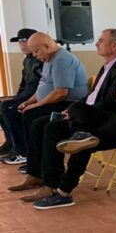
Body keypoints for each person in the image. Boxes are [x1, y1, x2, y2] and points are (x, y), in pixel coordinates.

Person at [9, 28, 116, 204]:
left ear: (114, 45)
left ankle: (51, 184)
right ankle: (36, 174)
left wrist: (78, 111)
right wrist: (76, 109)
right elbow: (92, 96)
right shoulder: (108, 65)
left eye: (100, 40)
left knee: (51, 127)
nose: (96, 43)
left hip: (101, 117)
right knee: (40, 123)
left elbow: (110, 103)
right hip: (86, 112)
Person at [1, 32, 89, 165]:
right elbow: (43, 87)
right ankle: (24, 152)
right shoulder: (48, 58)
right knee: (13, 109)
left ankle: (31, 157)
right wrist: (28, 102)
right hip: (55, 101)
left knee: (30, 114)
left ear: (46, 46)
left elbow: (61, 93)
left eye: (36, 51)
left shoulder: (62, 59)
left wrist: (35, 106)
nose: (35, 55)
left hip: (68, 104)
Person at [0, 28, 42, 160]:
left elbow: (38, 86)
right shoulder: (27, 60)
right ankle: (11, 142)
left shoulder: (41, 59)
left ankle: (21, 150)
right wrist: (15, 97)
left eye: (25, 41)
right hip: (27, 95)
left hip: (36, 97)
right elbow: (23, 84)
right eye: (20, 42)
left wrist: (19, 101)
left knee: (8, 109)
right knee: (2, 104)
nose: (22, 45)